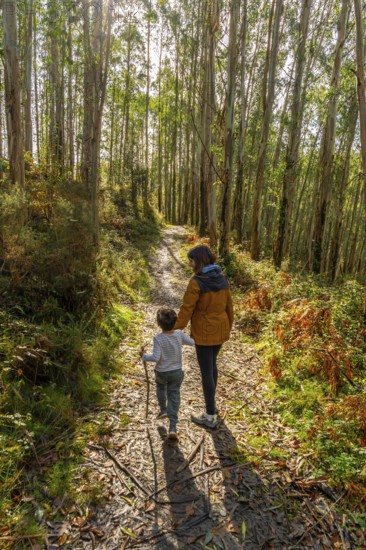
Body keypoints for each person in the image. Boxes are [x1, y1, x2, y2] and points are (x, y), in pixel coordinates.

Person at [174, 245, 234, 429]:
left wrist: (175, 329)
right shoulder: (222, 278)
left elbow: (187, 308)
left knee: (207, 371)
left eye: (191, 261)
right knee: (212, 366)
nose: (190, 264)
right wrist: (228, 327)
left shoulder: (196, 282)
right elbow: (229, 307)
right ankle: (212, 409)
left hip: (205, 332)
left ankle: (209, 416)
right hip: (220, 329)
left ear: (198, 261)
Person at [141, 306, 194, 441]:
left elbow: (155, 357)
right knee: (174, 394)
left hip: (161, 372)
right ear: (175, 322)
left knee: (160, 388)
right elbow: (192, 342)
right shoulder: (179, 334)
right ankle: (172, 426)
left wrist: (144, 356)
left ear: (159, 324)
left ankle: (163, 409)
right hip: (176, 372)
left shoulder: (158, 338)